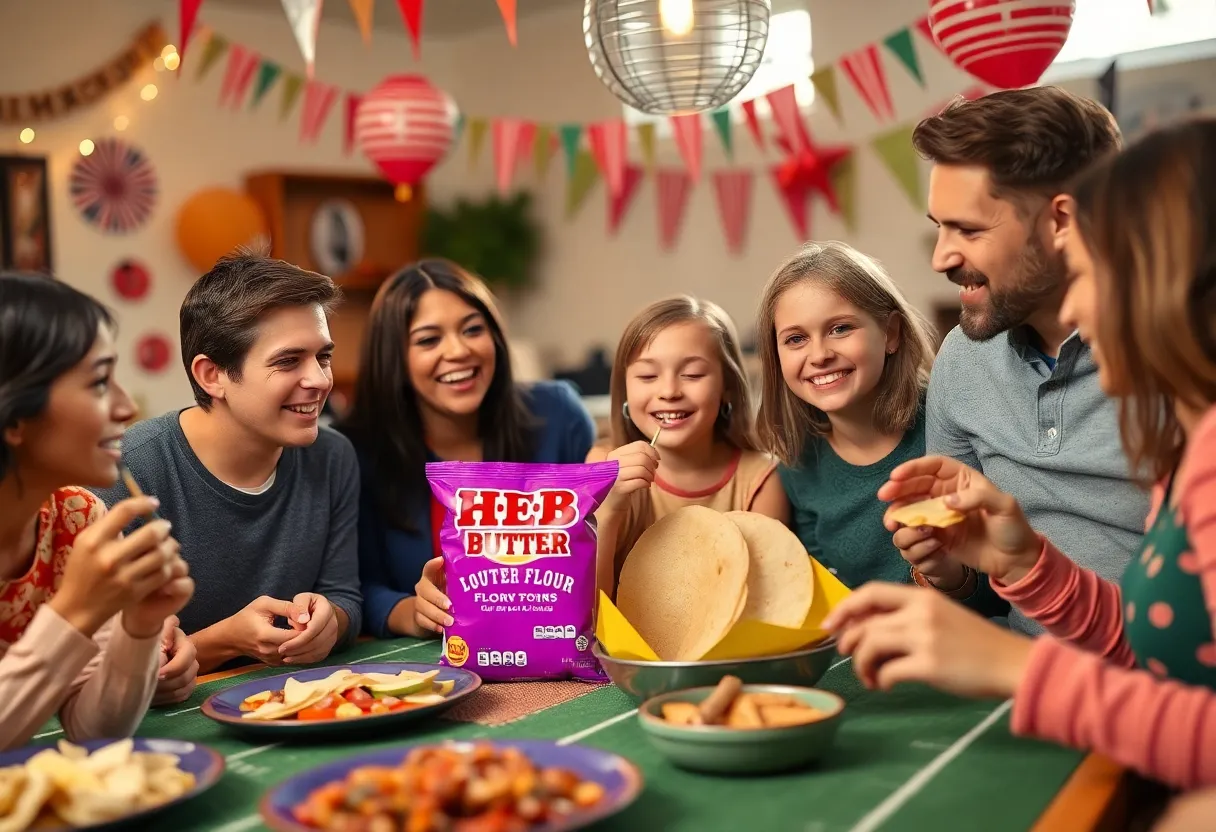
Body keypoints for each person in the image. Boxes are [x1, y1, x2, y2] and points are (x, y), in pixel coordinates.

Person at [824, 118, 1216, 791]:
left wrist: (1017, 667)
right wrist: (1024, 564)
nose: (1081, 306)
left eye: (1092, 273)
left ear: (1162, 285)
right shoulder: (1190, 447)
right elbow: (1156, 648)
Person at [897, 86, 1150, 633]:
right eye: (939, 225)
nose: (941, 256)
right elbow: (986, 594)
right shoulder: (963, 359)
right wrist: (949, 572)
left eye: (968, 228)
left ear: (1061, 221)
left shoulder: (1179, 357)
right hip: (1021, 680)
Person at [97, 253, 362, 673]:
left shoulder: (333, 457)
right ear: (211, 375)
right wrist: (221, 641)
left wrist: (332, 621)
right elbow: (94, 665)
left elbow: (344, 595)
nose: (319, 379)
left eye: (323, 357)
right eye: (288, 361)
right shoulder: (124, 474)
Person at [338, 259, 596, 638]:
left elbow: (602, 547)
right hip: (433, 662)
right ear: (394, 359)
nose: (458, 351)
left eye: (472, 329)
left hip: (554, 647)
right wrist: (412, 611)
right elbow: (358, 586)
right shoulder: (357, 452)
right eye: (428, 339)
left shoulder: (559, 415)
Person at [0, 273, 194, 748]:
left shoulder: (75, 518)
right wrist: (74, 613)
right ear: (15, 415)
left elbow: (95, 730)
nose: (127, 407)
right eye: (100, 382)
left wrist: (141, 626)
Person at [751, 241, 990, 602]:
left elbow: (1003, 593)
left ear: (891, 333)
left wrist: (945, 573)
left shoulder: (952, 422)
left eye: (840, 329)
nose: (819, 355)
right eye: (796, 339)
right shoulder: (797, 467)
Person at [588, 296, 787, 599]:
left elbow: (765, 600)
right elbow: (581, 617)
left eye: (692, 374)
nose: (669, 391)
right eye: (647, 376)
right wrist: (609, 509)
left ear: (728, 389)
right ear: (624, 389)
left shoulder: (761, 479)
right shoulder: (602, 465)